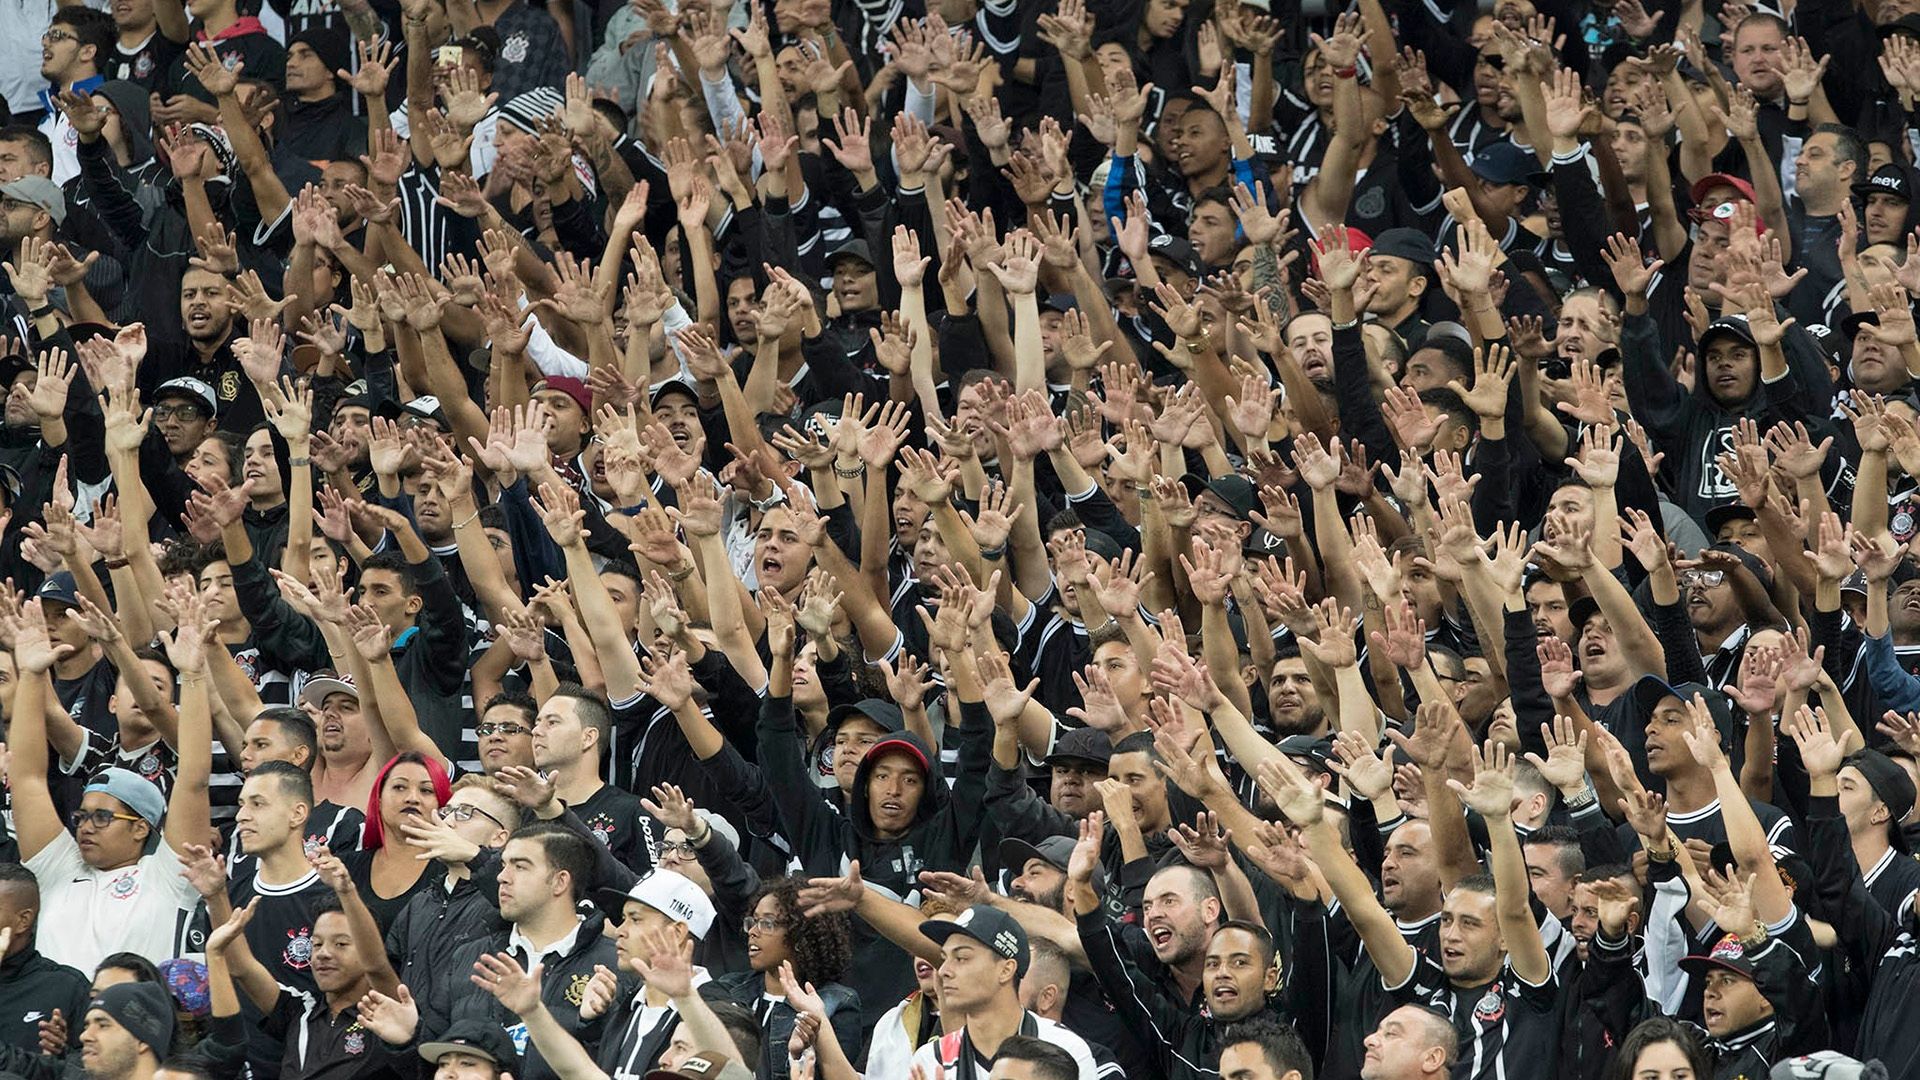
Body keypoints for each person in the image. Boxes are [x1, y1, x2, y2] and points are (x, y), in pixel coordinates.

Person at [907, 904, 1102, 1080]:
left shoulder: (1065, 1049)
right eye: (944, 958)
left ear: (1006, 970)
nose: (943, 971)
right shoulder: (930, 1060)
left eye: (961, 958)